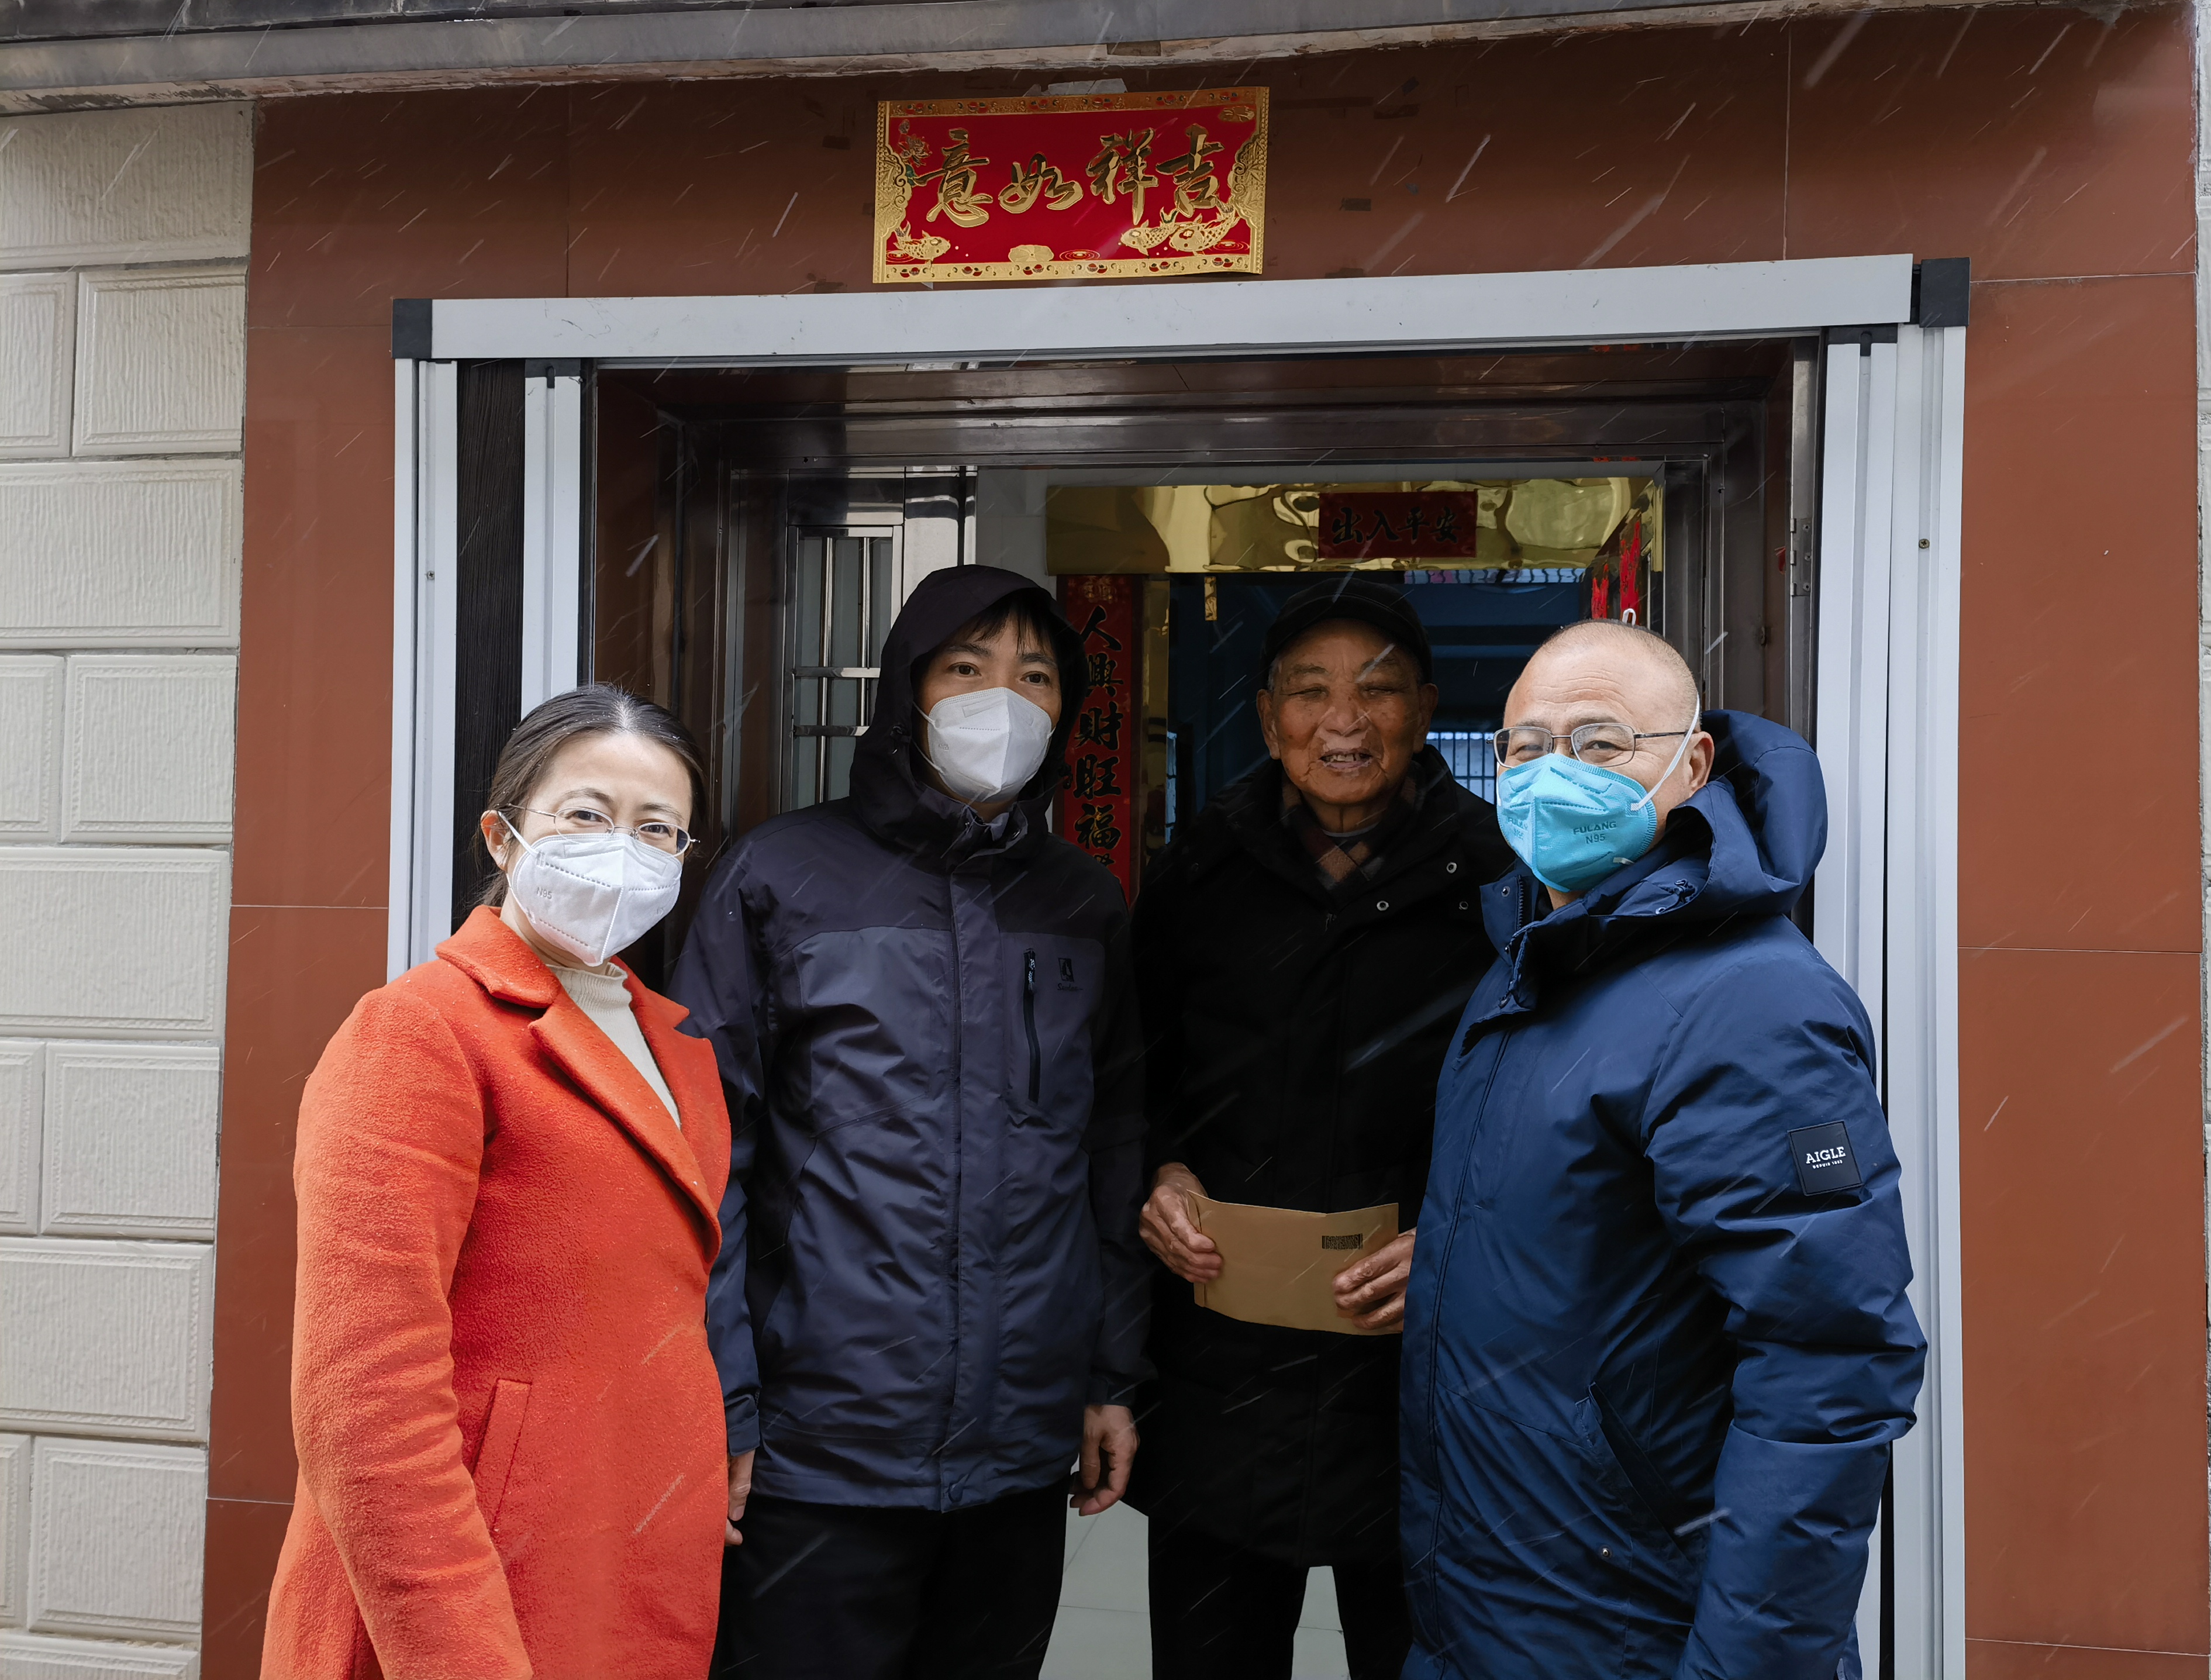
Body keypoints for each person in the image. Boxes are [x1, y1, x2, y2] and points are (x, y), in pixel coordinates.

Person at [1398, 621, 1926, 1680]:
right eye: (1526, 746)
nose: (1554, 774)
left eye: (1601, 744)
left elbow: (1828, 1362)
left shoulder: (1751, 1003)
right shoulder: (1537, 956)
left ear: (1693, 765)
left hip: (1633, 1625)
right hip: (1499, 1605)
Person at [675, 565, 1147, 1680]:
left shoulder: (1081, 900)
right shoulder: (781, 873)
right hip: (819, 1451)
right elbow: (703, 1156)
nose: (1003, 700)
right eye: (966, 668)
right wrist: (724, 1401)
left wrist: (1111, 1377)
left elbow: (1111, 1147)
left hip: (1019, 1445)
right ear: (908, 691)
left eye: (1036, 676)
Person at [262, 686, 727, 1679]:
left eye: (657, 829)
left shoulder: (676, 1049)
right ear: (503, 836)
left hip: (619, 1565)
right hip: (472, 1598)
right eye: (587, 814)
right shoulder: (421, 1031)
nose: (622, 849)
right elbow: (364, 1402)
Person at [1132, 576, 1513, 1680]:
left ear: (1426, 708)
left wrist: (1460, 1233)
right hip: (1223, 1374)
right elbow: (1129, 1067)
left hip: (1420, 1370)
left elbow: (1545, 1106)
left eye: (1378, 690)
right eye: (1310, 692)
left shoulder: (1500, 879)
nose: (1343, 721)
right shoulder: (1201, 868)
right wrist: (1155, 1170)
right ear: (1267, 718)